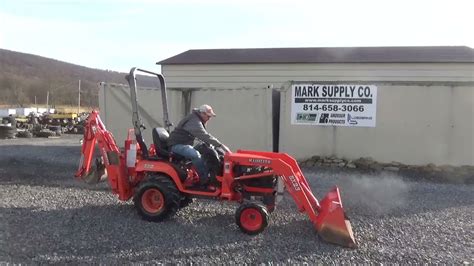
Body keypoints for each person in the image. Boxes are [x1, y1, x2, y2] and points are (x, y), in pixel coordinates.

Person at [168, 104, 230, 187]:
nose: (209, 119)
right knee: (195, 154)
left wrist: (214, 146)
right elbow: (204, 135)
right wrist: (220, 145)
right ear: (203, 114)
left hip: (185, 144)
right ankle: (204, 179)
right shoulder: (194, 121)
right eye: (208, 116)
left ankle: (214, 174)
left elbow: (204, 137)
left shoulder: (197, 119)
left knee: (206, 148)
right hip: (176, 145)